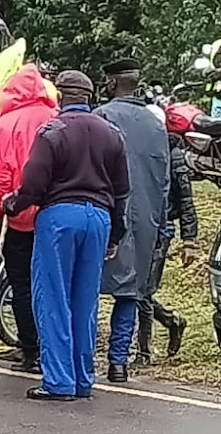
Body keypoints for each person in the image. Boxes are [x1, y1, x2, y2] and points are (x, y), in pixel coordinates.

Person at [3, 70, 129, 401]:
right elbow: (122, 191)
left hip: (60, 216)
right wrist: (116, 233)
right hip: (99, 217)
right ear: (89, 98)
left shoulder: (52, 131)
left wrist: (13, 204)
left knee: (53, 298)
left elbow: (34, 184)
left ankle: (59, 380)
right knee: (85, 302)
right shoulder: (112, 133)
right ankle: (82, 378)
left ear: (60, 96)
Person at [94, 58, 170, 383]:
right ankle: (118, 362)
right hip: (145, 220)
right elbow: (164, 180)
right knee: (130, 292)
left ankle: (83, 359)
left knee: (89, 288)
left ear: (111, 84)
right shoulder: (156, 124)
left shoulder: (102, 117)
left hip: (106, 214)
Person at [0, 64, 57, 372]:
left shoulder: (7, 122)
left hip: (18, 215)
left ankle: (30, 348)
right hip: (52, 214)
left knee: (21, 283)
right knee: (52, 283)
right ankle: (52, 347)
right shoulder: (56, 119)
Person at [136, 130, 198, 365]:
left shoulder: (174, 156)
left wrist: (189, 239)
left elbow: (185, 199)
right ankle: (171, 320)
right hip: (139, 225)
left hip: (162, 229)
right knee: (133, 288)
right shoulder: (140, 150)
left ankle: (143, 352)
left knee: (143, 290)